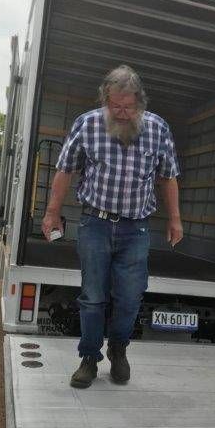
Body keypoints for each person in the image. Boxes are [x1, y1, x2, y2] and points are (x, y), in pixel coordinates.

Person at [41, 65, 183, 388]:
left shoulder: (158, 129)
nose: (121, 113)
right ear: (106, 100)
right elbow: (65, 169)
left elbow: (168, 176)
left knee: (130, 297)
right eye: (115, 106)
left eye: (128, 107)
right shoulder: (88, 124)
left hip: (136, 230)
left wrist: (175, 219)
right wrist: (52, 212)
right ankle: (89, 357)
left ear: (139, 103)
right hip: (96, 224)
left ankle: (118, 348)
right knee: (92, 296)